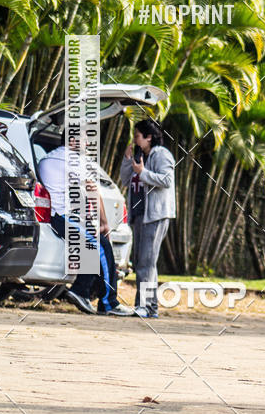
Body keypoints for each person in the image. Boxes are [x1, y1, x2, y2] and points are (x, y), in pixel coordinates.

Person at [38, 144, 133, 316]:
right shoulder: (72, 159)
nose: (88, 143)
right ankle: (108, 303)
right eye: (84, 138)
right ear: (72, 140)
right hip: (60, 215)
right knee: (101, 246)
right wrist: (104, 222)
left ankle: (81, 291)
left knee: (94, 246)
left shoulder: (48, 157)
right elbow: (92, 190)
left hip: (56, 215)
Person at [120, 119, 176, 318]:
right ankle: (149, 307)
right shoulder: (139, 155)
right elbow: (125, 180)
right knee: (141, 261)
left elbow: (167, 180)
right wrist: (128, 161)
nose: (135, 140)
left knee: (146, 262)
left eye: (137, 136)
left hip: (155, 215)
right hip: (139, 215)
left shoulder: (162, 155)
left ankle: (144, 306)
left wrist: (143, 173)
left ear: (149, 137)